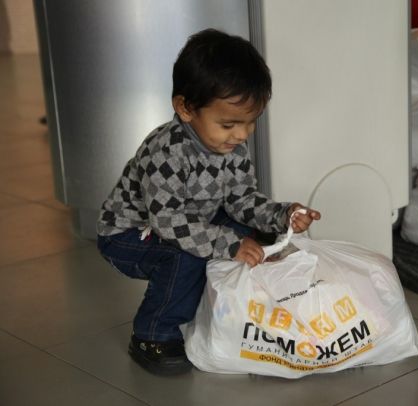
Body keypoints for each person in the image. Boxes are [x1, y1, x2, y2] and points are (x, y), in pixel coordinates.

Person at [96, 29, 321, 375]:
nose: (242, 134)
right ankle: (152, 333)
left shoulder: (232, 147)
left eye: (250, 123)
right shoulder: (166, 152)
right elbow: (167, 222)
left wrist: (281, 215)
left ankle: (224, 308)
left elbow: (242, 199)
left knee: (249, 233)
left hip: (193, 220)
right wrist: (227, 243)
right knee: (185, 255)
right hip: (131, 234)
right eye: (229, 124)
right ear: (185, 108)